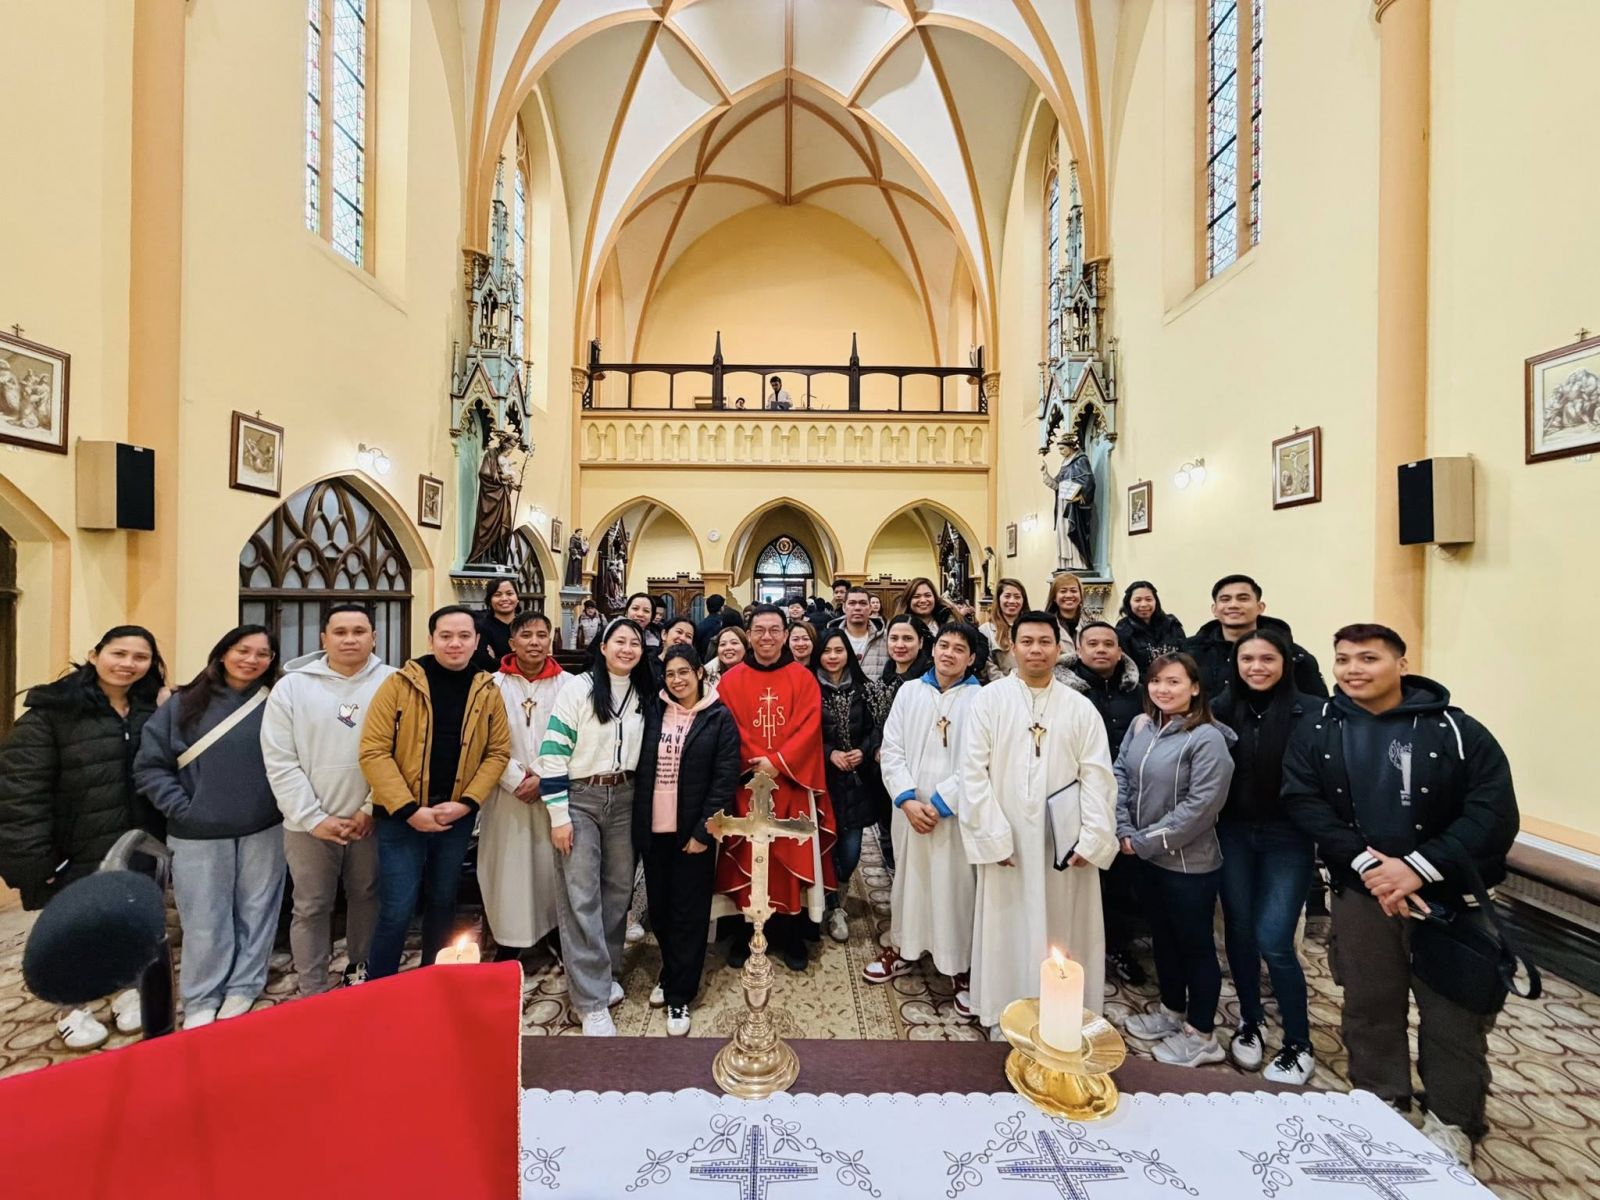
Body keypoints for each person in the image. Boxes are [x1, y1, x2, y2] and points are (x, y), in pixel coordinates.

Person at [1283, 624, 1518, 1165]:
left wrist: (1417, 867)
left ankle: (1452, 1119)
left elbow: (1492, 811)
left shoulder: (1456, 730)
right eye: (1343, 659)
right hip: (1362, 889)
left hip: (1447, 898)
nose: (1353, 670)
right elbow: (1303, 799)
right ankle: (1381, 1098)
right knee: (1369, 1002)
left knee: (1453, 1014)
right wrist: (1368, 865)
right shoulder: (1320, 727)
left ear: (1402, 664)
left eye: (1368, 658)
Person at [0, 626, 168, 1049]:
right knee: (73, 931)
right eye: (119, 653)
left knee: (125, 921)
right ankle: (72, 1009)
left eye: (140, 657)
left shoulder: (149, 708)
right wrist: (31, 861)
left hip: (132, 841)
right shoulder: (52, 711)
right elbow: (20, 792)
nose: (128, 664)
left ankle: (126, 991)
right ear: (95, 655)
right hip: (70, 848)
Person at [959, 612, 1117, 1036]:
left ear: (1059, 649)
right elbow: (972, 772)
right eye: (1026, 641)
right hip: (1008, 839)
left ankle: (1064, 1016)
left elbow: (1098, 776)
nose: (1035, 650)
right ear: (1012, 647)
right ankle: (1005, 1011)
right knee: (1007, 926)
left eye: (1044, 642)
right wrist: (992, 835)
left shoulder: (1079, 707)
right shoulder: (989, 701)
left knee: (1063, 926)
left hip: (1063, 847)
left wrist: (1093, 838)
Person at [135, 626, 283, 1029]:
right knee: (203, 918)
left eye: (263, 654)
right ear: (222, 653)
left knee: (258, 911)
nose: (251, 660)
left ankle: (245, 985)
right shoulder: (183, 703)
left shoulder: (277, 701)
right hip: (197, 832)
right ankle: (202, 995)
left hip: (264, 826)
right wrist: (182, 808)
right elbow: (150, 765)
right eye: (243, 650)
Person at [359, 606, 511, 978]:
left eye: (464, 636)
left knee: (444, 902)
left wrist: (467, 803)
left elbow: (497, 752)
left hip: (454, 816)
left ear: (477, 641)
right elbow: (374, 750)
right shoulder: (399, 684)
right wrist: (409, 809)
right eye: (446, 636)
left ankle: (434, 983)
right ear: (431, 640)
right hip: (401, 817)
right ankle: (381, 989)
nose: (455, 643)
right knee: (397, 908)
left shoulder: (487, 689)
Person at [261, 604, 395, 996]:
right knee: (311, 905)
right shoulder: (292, 687)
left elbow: (401, 753)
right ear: (324, 638)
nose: (350, 639)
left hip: (370, 819)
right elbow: (279, 759)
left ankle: (360, 973)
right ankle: (313, 985)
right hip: (307, 823)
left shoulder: (394, 682)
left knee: (367, 896)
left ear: (374, 637)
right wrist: (312, 817)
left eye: (359, 631)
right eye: (340, 632)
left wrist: (370, 807)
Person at [1114, 652, 1236, 1068]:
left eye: (1174, 682)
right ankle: (1171, 1010)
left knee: (1194, 945)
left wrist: (1142, 841)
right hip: (1145, 856)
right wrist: (1123, 827)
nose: (1163, 689)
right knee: (1163, 939)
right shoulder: (1142, 726)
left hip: (1188, 864)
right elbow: (1120, 774)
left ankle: (1202, 1035)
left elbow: (1201, 807)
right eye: (1156, 681)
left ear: (1195, 688)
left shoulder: (1207, 738)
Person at [537, 618, 656, 1035]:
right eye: (618, 641)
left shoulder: (644, 691)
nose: (627, 648)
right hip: (581, 797)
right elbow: (553, 752)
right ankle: (591, 1000)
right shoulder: (578, 688)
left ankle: (605, 974)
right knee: (581, 893)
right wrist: (559, 816)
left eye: (634, 642)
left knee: (619, 890)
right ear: (603, 647)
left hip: (626, 796)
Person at [1212, 628, 1319, 1084]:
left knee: (1274, 938)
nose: (1256, 667)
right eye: (1247, 659)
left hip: (1287, 837)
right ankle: (1250, 1020)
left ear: (1285, 663)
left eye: (1267, 659)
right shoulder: (1221, 708)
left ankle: (1298, 1041)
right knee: (1238, 930)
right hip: (1234, 831)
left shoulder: (1311, 712)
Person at [712, 605, 836, 973]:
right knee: (746, 860)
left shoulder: (803, 678)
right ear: (749, 634)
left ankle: (788, 934)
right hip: (746, 787)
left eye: (774, 630)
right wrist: (758, 762)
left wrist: (777, 762)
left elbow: (809, 726)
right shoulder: (730, 681)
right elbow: (728, 726)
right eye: (759, 630)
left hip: (791, 785)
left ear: (785, 635)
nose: (767, 637)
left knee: (787, 859)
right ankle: (744, 932)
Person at [869, 622, 983, 998]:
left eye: (959, 649)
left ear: (971, 658)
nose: (949, 653)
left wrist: (941, 803)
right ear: (932, 650)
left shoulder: (982, 700)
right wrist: (906, 799)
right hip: (910, 812)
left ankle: (958, 963)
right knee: (910, 881)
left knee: (956, 887)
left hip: (954, 814)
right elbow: (892, 749)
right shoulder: (910, 692)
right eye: (944, 645)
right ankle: (904, 947)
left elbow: (982, 760)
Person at [633, 645, 740, 1036]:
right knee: (660, 911)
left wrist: (702, 832)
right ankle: (671, 969)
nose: (677, 680)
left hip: (692, 831)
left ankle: (680, 993)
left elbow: (724, 780)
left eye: (684, 672)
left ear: (699, 673)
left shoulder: (718, 717)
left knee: (689, 915)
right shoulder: (653, 710)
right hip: (654, 829)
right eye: (670, 674)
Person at [483, 610, 572, 971]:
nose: (534, 642)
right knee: (508, 868)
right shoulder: (490, 686)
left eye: (541, 635)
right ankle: (510, 940)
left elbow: (576, 738)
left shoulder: (570, 685)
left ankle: (556, 933)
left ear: (550, 640)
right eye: (526, 635)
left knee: (552, 867)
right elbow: (481, 739)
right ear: (511, 642)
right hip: (507, 792)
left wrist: (543, 778)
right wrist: (515, 778)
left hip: (554, 790)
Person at [1061, 621, 1146, 987]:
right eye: (1092, 644)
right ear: (1078, 650)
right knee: (1077, 873)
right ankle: (1071, 945)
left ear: (1119, 650)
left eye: (1108, 644)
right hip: (1075, 794)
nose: (1100, 650)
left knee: (1122, 878)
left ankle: (1118, 946)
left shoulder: (1138, 692)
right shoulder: (1066, 693)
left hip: (1127, 797)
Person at [814, 629, 879, 944]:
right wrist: (830, 753)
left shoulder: (863, 689)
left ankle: (837, 891)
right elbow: (805, 734)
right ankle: (830, 906)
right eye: (827, 651)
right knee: (825, 844)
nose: (833, 656)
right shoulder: (810, 688)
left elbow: (875, 729)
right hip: (823, 778)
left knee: (851, 850)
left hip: (856, 781)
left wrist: (863, 751)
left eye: (838, 650)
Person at [1186, 574, 1326, 699]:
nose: (1233, 605)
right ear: (1214, 609)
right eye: (1225, 599)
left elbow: (1317, 707)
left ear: (1260, 607)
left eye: (1243, 599)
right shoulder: (1191, 654)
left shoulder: (1294, 656)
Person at [1115, 580, 1187, 676]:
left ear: (1155, 601)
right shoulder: (1123, 630)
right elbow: (1125, 667)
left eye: (1148, 599)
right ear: (1129, 603)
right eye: (1137, 600)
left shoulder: (1172, 624)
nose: (1144, 604)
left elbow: (1185, 657)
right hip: (1141, 682)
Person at [979, 577, 1028, 682]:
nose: (1012, 601)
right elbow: (988, 666)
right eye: (1007, 596)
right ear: (998, 599)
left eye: (1017, 597)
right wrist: (1008, 685)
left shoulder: (1031, 627)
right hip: (1000, 686)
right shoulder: (986, 630)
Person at [836, 586, 888, 678]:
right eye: (852, 603)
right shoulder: (832, 638)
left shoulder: (886, 638)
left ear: (870, 608)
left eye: (863, 603)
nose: (857, 608)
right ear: (844, 607)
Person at [472, 579, 520, 673]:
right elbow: (482, 662)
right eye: (497, 595)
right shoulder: (481, 627)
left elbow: (533, 659)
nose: (504, 598)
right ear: (489, 600)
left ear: (517, 597)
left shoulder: (526, 625)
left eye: (509, 593)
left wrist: (496, 660)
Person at [1045, 572, 1087, 659]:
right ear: (1054, 597)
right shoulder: (1045, 625)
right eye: (1063, 591)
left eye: (1073, 591)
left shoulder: (1093, 622)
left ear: (1081, 595)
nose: (1069, 595)